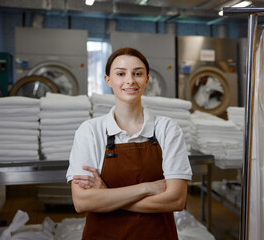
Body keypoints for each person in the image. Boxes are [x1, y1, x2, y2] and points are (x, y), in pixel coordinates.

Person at [66, 47, 192, 240]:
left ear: (147, 79)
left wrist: (107, 196)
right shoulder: (90, 131)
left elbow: (176, 200)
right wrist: (146, 188)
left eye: (138, 73)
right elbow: (82, 202)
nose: (130, 80)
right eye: (121, 73)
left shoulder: (167, 129)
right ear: (108, 80)